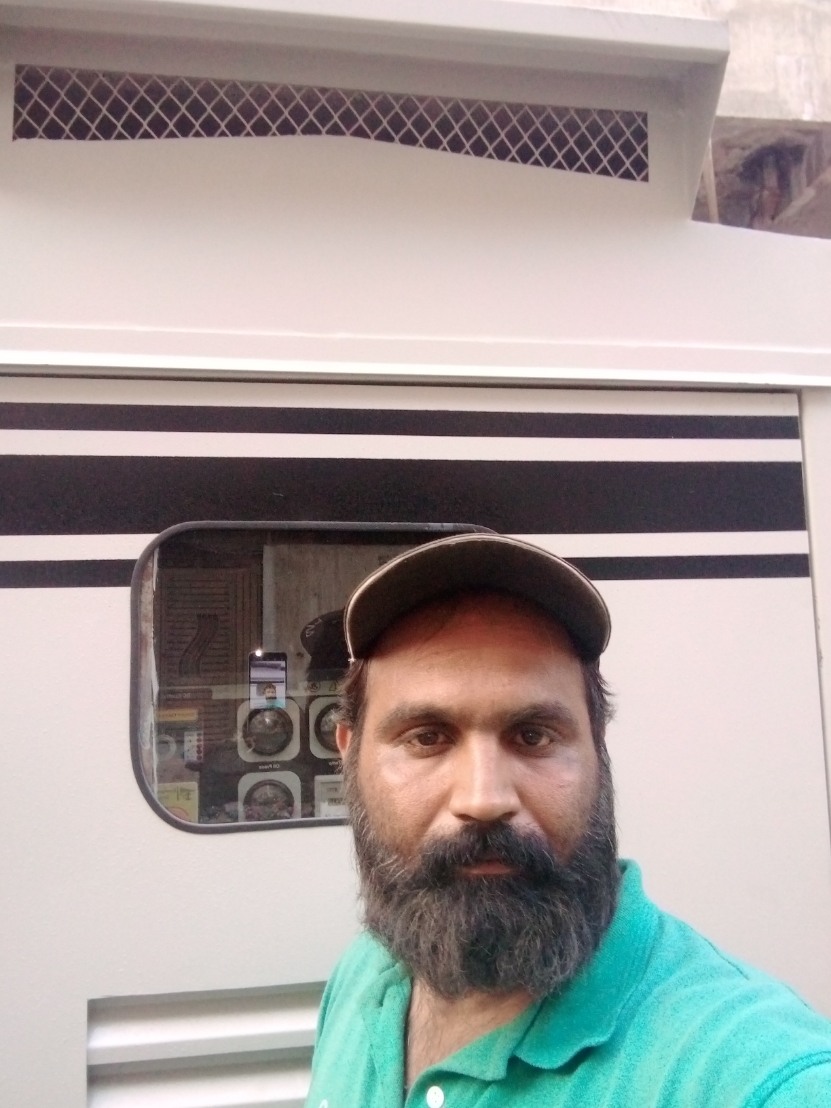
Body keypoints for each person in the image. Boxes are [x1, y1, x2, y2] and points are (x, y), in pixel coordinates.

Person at [306, 533, 831, 1108]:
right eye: (427, 738)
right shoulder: (366, 972)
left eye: (533, 736)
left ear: (598, 751)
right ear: (349, 756)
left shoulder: (757, 1077)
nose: (484, 798)